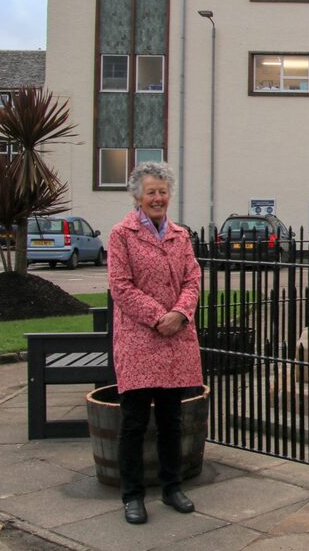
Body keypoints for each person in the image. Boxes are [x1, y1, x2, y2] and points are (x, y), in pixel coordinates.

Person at [107, 161, 203, 525]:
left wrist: (178, 314)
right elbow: (120, 285)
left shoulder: (181, 235)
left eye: (163, 192)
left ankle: (172, 487)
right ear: (137, 196)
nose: (158, 198)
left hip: (175, 337)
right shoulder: (121, 234)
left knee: (171, 420)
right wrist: (158, 316)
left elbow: (193, 278)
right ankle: (132, 495)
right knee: (133, 422)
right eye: (151, 192)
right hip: (138, 339)